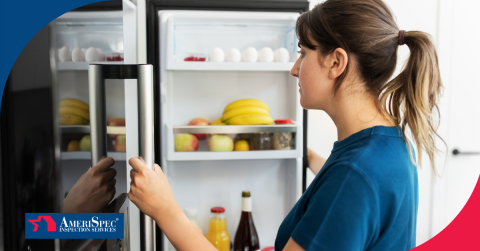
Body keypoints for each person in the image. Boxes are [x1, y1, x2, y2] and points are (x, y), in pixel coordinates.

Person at [128, 0, 443, 250]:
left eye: (303, 53)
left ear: (336, 62)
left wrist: (166, 211)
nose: (294, 69)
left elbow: (352, 188)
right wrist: (306, 157)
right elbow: (356, 201)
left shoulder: (354, 174)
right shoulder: (386, 144)